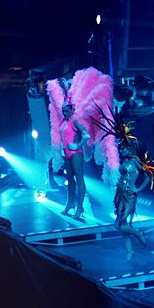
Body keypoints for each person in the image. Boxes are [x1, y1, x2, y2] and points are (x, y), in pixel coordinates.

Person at [114, 139, 150, 261]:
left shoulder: (135, 161)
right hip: (120, 194)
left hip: (129, 196)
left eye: (123, 148)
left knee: (118, 224)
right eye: (120, 148)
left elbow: (148, 176)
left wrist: (138, 189)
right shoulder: (125, 161)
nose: (121, 151)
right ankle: (130, 252)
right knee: (121, 225)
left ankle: (139, 234)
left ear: (129, 148)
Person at [59, 83, 90, 220]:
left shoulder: (74, 121)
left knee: (79, 179)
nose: (64, 113)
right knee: (70, 180)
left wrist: (77, 145)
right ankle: (70, 203)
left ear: (72, 110)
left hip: (75, 153)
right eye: (63, 111)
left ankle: (80, 207)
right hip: (66, 153)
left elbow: (86, 135)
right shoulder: (63, 121)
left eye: (66, 111)